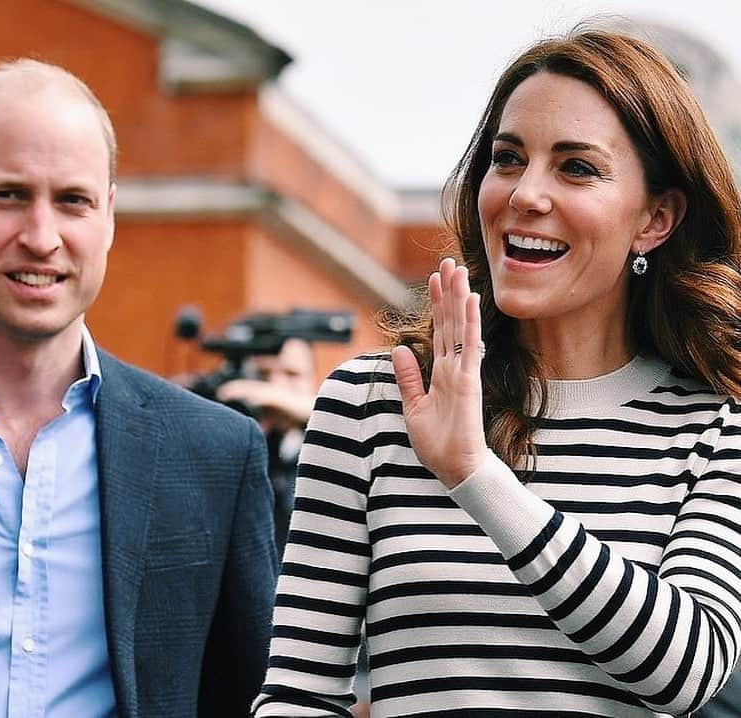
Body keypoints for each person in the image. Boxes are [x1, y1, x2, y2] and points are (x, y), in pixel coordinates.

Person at [252, 27, 741, 718]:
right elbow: (297, 693)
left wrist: (476, 477)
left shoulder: (715, 427)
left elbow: (683, 670)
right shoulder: (370, 402)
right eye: (507, 159)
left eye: (575, 168)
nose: (523, 194)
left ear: (655, 218)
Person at [0, 59, 277, 717]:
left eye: (72, 200)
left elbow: (247, 700)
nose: (41, 237)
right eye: (9, 195)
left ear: (108, 214)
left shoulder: (214, 457)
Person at [216, 337, 317, 552]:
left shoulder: (325, 436)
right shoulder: (243, 441)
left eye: (292, 374)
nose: (277, 385)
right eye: (264, 375)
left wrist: (267, 395)